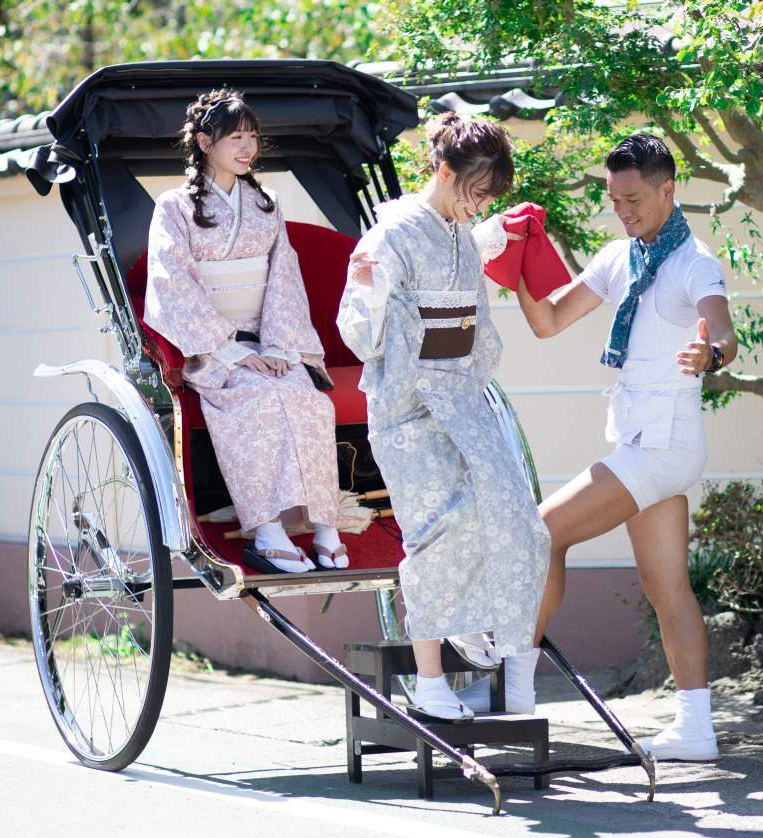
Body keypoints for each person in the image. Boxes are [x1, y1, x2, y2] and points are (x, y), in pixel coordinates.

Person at [463, 134, 737, 760]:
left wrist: (710, 354)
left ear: (669, 190)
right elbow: (549, 321)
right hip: (648, 442)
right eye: (615, 199)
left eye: (634, 198)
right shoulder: (621, 256)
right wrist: (521, 263)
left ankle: (513, 688)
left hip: (662, 446)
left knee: (540, 533)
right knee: (668, 587)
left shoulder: (693, 261)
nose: (624, 210)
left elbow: (723, 329)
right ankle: (696, 729)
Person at [336, 113, 550, 722]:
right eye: (476, 192)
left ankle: (514, 667)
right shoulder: (391, 236)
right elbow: (356, 329)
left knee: (520, 519)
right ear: (445, 171)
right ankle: (431, 681)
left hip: (462, 396)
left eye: (488, 198)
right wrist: (376, 294)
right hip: (409, 407)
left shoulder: (458, 230)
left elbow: (464, 302)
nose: (479, 205)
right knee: (441, 527)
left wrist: (491, 235)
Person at [145, 88, 348, 574]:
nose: (247, 148)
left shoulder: (265, 202)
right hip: (211, 346)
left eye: (252, 137)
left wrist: (280, 346)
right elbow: (171, 281)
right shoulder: (173, 207)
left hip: (269, 337)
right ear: (203, 141)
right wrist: (229, 350)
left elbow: (284, 276)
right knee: (259, 399)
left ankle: (326, 526)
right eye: (235, 137)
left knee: (306, 398)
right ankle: (267, 530)